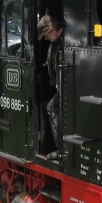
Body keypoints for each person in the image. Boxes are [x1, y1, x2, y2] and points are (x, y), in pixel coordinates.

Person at [37, 15, 64, 160]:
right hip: (59, 86)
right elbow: (54, 56)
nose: (45, 38)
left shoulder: (66, 41)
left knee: (51, 107)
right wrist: (49, 63)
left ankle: (61, 149)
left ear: (52, 29)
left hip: (65, 88)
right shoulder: (56, 41)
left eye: (46, 34)